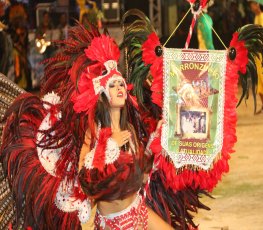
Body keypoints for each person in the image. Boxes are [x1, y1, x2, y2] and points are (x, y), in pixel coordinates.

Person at [0, 21, 173, 229]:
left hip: (138, 212)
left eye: (121, 83)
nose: (119, 87)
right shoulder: (95, 134)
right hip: (113, 224)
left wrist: (157, 143)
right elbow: (87, 181)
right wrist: (110, 146)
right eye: (113, 84)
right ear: (102, 95)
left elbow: (143, 177)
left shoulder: (131, 131)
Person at [248, 0, 263, 114]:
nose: (251, 6)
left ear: (257, 4)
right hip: (258, 55)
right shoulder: (257, 17)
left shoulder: (262, 17)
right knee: (260, 82)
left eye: (252, 4)